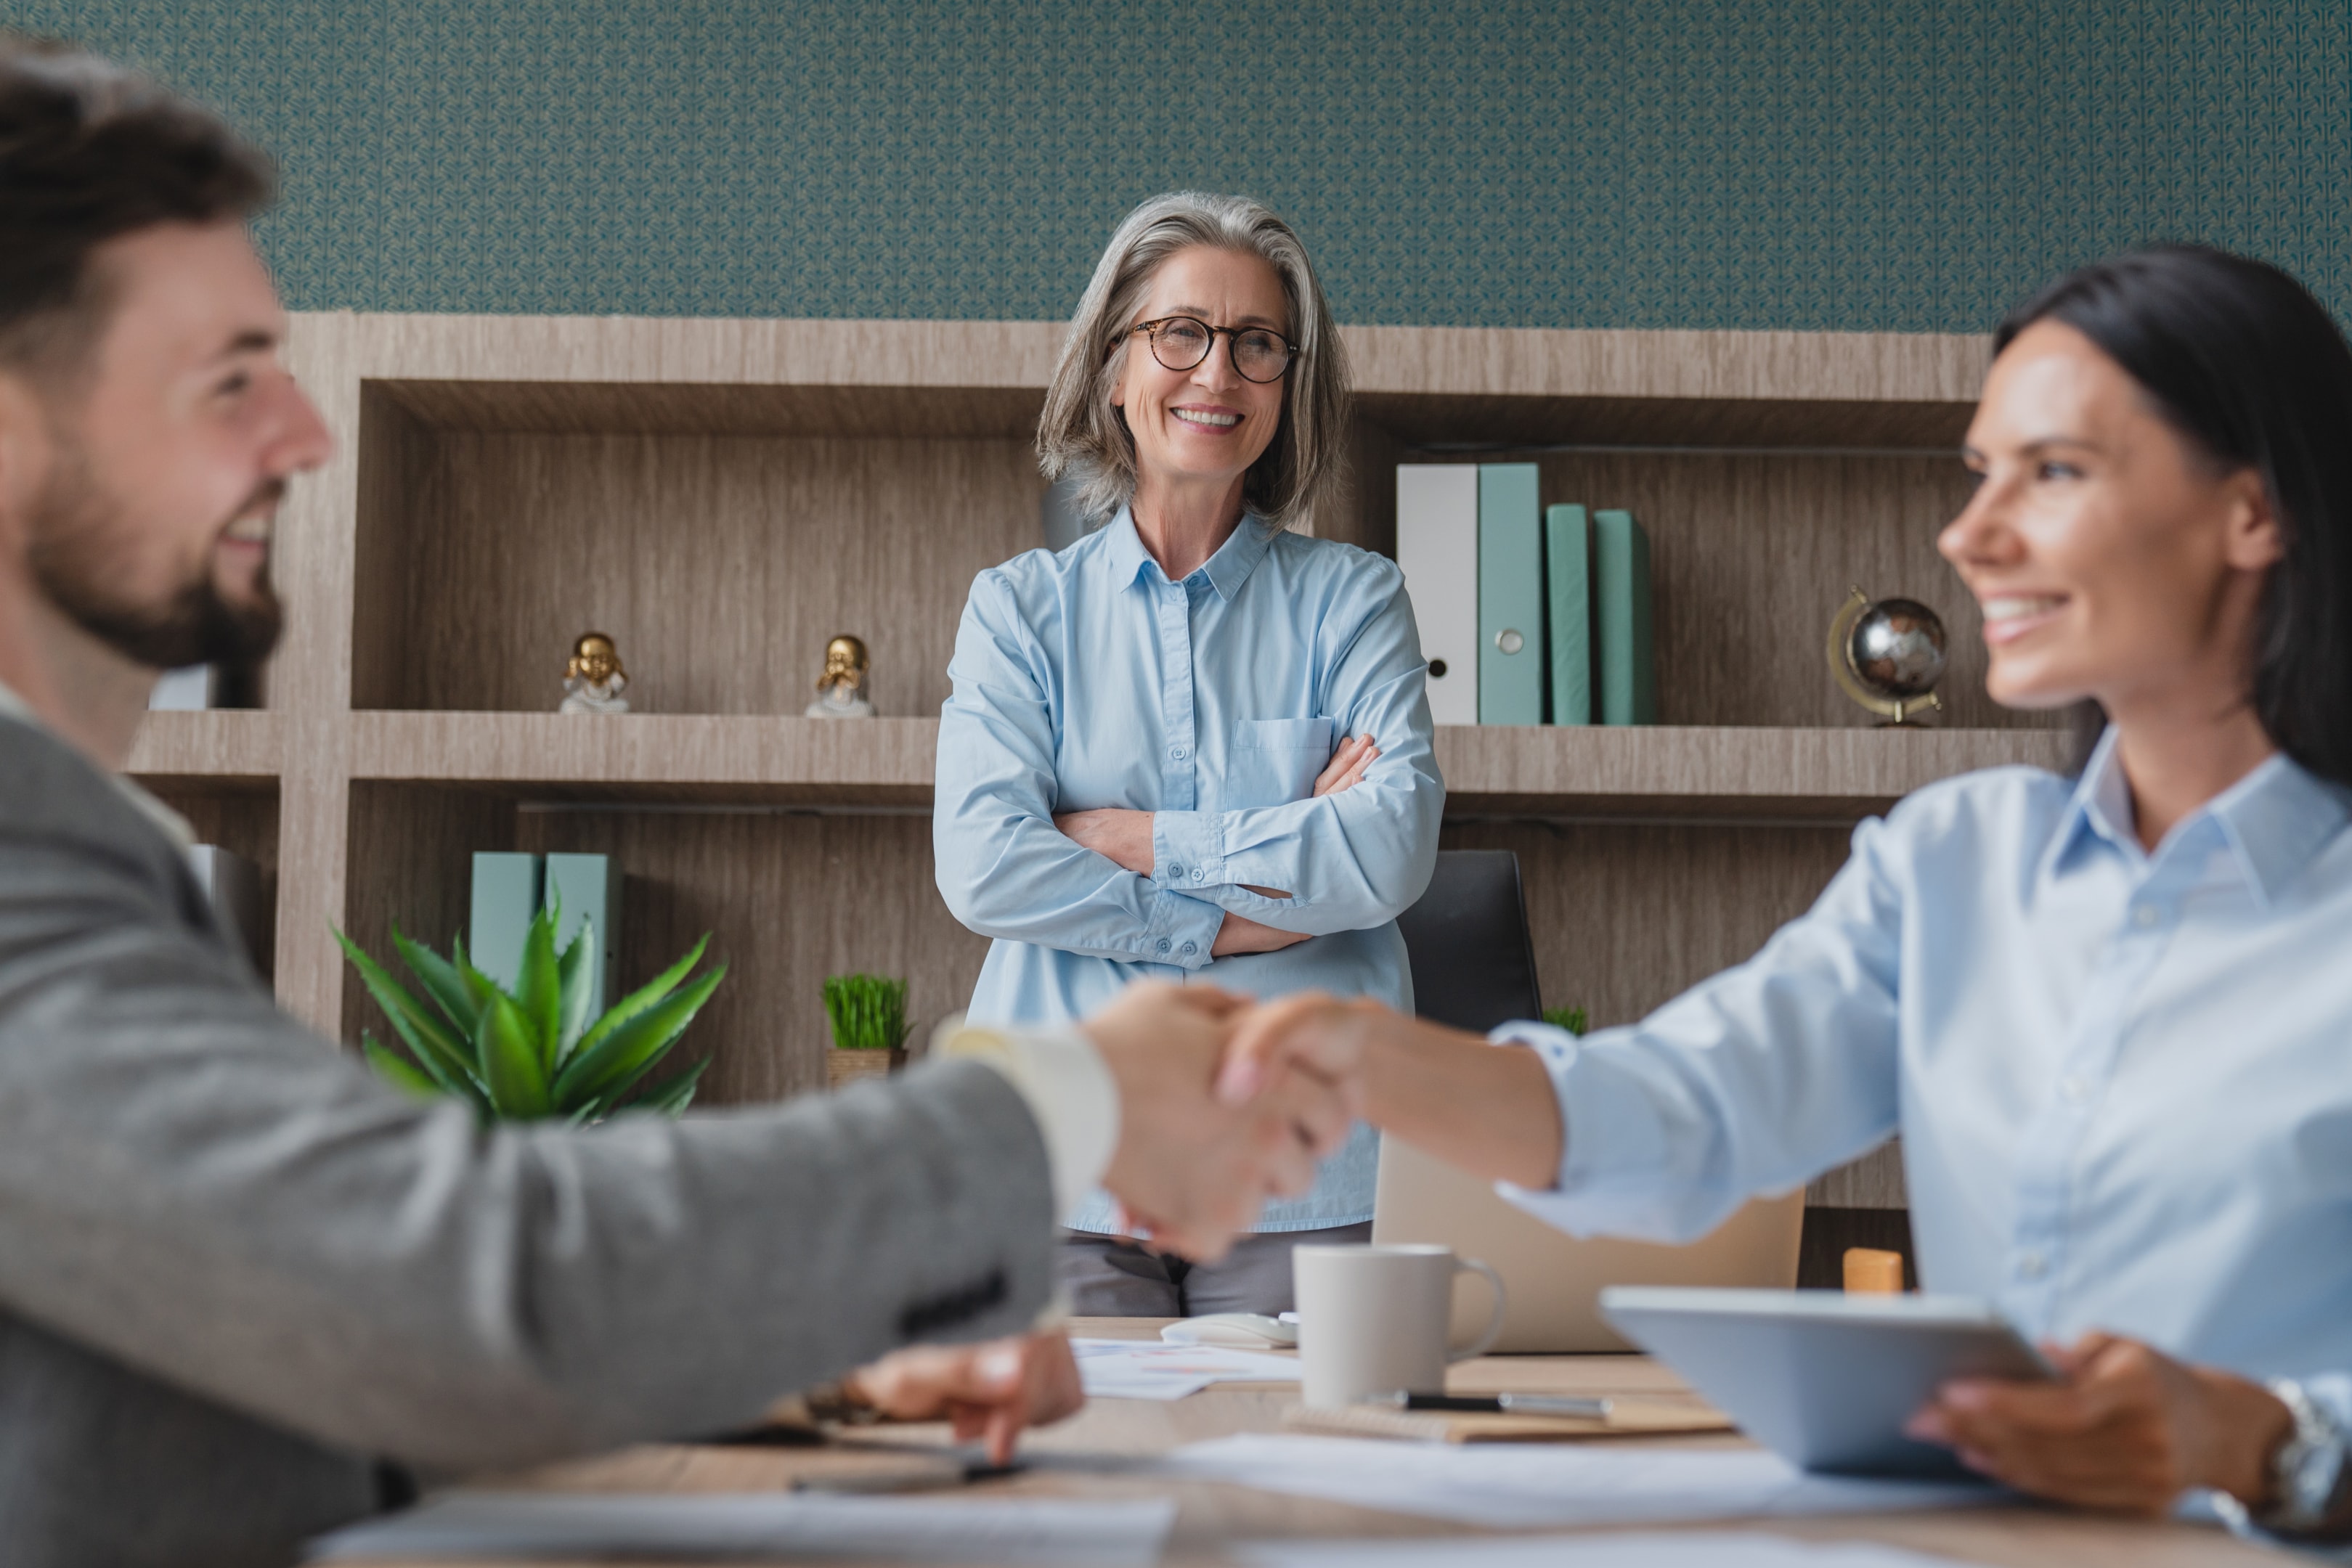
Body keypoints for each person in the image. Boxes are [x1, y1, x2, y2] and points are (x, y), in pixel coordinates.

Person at [0, 41, 1360, 1567]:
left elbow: (268, 1333)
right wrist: (1072, 1098)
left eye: (1261, 347)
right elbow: (454, 1277)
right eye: (229, 380)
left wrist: (801, 1367)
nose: (308, 437)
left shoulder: (92, 841)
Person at [1231, 245, 2352, 1540]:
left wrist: (2265, 1443)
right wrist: (1348, 1050)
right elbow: (1689, 1111)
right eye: (1981, 473)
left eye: (2054, 472)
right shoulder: (1956, 864)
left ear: (2254, 513)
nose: (1969, 536)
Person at [933, 192, 1444, 1316]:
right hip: (1070, 1168)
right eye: (1181, 334)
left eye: (1256, 344)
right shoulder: (1018, 612)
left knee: (1302, 1486)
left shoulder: (1357, 602)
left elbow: (1390, 851)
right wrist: (1238, 907)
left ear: (1287, 386)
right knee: (1081, 1482)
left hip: (1311, 1178)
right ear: (1115, 368)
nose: (1217, 375)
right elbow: (984, 866)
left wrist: (1126, 840)